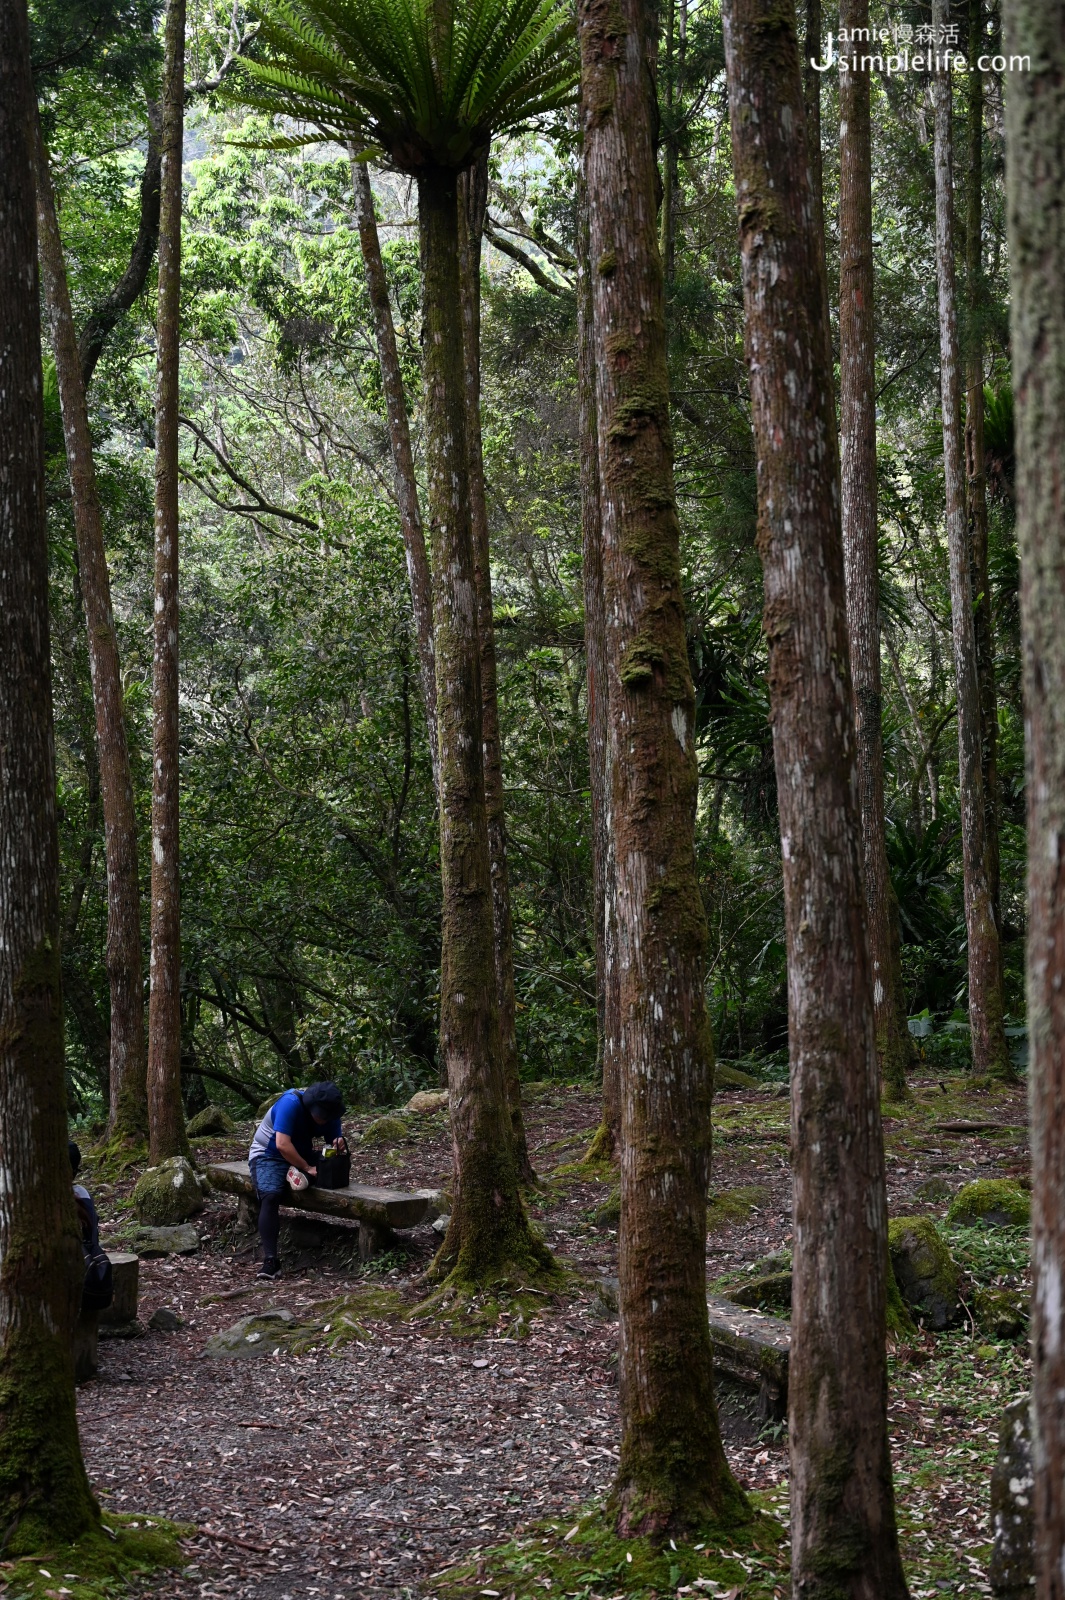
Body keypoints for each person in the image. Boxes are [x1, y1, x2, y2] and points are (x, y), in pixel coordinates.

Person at [248, 1082, 346, 1280]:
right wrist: (307, 1167)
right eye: (321, 1115)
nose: (323, 1119)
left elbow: (333, 1143)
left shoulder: (331, 1115)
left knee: (328, 1172)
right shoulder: (290, 1103)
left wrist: (338, 1145)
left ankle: (299, 1176)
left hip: (301, 1153)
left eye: (327, 1116)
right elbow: (282, 1144)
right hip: (269, 1154)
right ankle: (270, 1261)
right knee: (271, 1196)